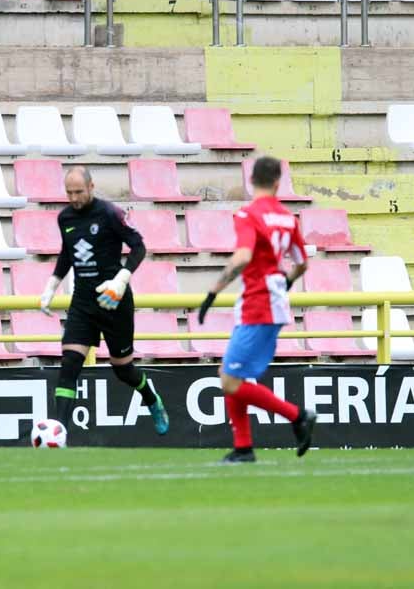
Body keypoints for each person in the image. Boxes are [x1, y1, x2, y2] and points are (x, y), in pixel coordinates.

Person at [197, 156, 316, 464]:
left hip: (258, 303)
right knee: (233, 376)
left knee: (229, 380)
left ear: (251, 181)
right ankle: (244, 448)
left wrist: (213, 291)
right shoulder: (289, 219)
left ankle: (297, 416)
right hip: (269, 300)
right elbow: (302, 263)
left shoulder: (248, 214)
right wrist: (285, 283)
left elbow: (243, 256)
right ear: (278, 182)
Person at [39, 165, 169, 438]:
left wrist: (122, 279)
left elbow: (139, 246)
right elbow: (68, 253)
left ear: (91, 187)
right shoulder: (65, 218)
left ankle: (151, 397)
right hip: (83, 302)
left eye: (79, 192)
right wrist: (52, 284)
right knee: (70, 364)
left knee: (123, 369)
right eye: (69, 192)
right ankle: (58, 434)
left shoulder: (110, 213)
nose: (74, 198)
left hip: (113, 301)